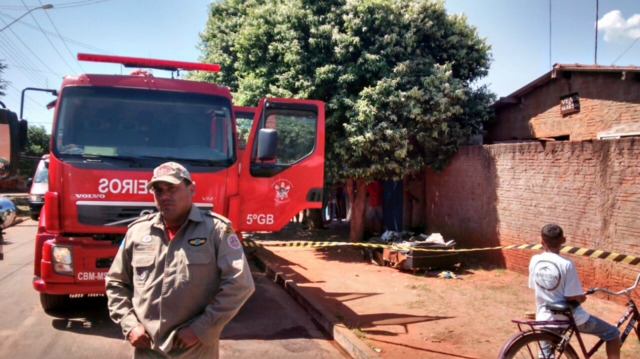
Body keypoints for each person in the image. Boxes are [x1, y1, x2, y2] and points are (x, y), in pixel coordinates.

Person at [106, 162, 255, 358]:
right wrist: (130, 325)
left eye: (172, 188)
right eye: (158, 190)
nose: (164, 195)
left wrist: (200, 329)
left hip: (195, 349)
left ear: (191, 189)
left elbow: (240, 284)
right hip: (147, 349)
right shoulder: (138, 231)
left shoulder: (216, 230)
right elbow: (116, 282)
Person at [529, 224, 620, 359]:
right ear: (563, 241)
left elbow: (535, 286)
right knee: (612, 333)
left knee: (546, 355)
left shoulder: (535, 260)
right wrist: (582, 298)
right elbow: (571, 297)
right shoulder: (567, 264)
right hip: (570, 317)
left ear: (542, 242)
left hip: (544, 316)